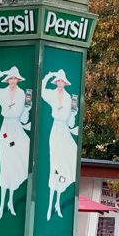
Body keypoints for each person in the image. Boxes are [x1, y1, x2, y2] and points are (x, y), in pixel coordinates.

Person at [0, 67, 32, 221]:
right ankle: (1, 203)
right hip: (6, 128)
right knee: (5, 164)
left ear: (18, 80)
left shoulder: (22, 94)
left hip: (17, 129)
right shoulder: (2, 92)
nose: (13, 81)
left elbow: (24, 117)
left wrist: (27, 109)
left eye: (15, 78)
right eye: (10, 78)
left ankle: (10, 201)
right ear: (8, 80)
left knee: (15, 163)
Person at [40, 69, 79, 221]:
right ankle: (50, 204)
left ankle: (57, 201)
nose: (60, 83)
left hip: (64, 131)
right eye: (58, 81)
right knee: (55, 165)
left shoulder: (69, 97)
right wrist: (48, 76)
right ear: (56, 82)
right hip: (56, 129)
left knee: (64, 165)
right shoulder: (52, 94)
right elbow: (42, 91)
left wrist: (73, 114)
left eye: (62, 81)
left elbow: (71, 120)